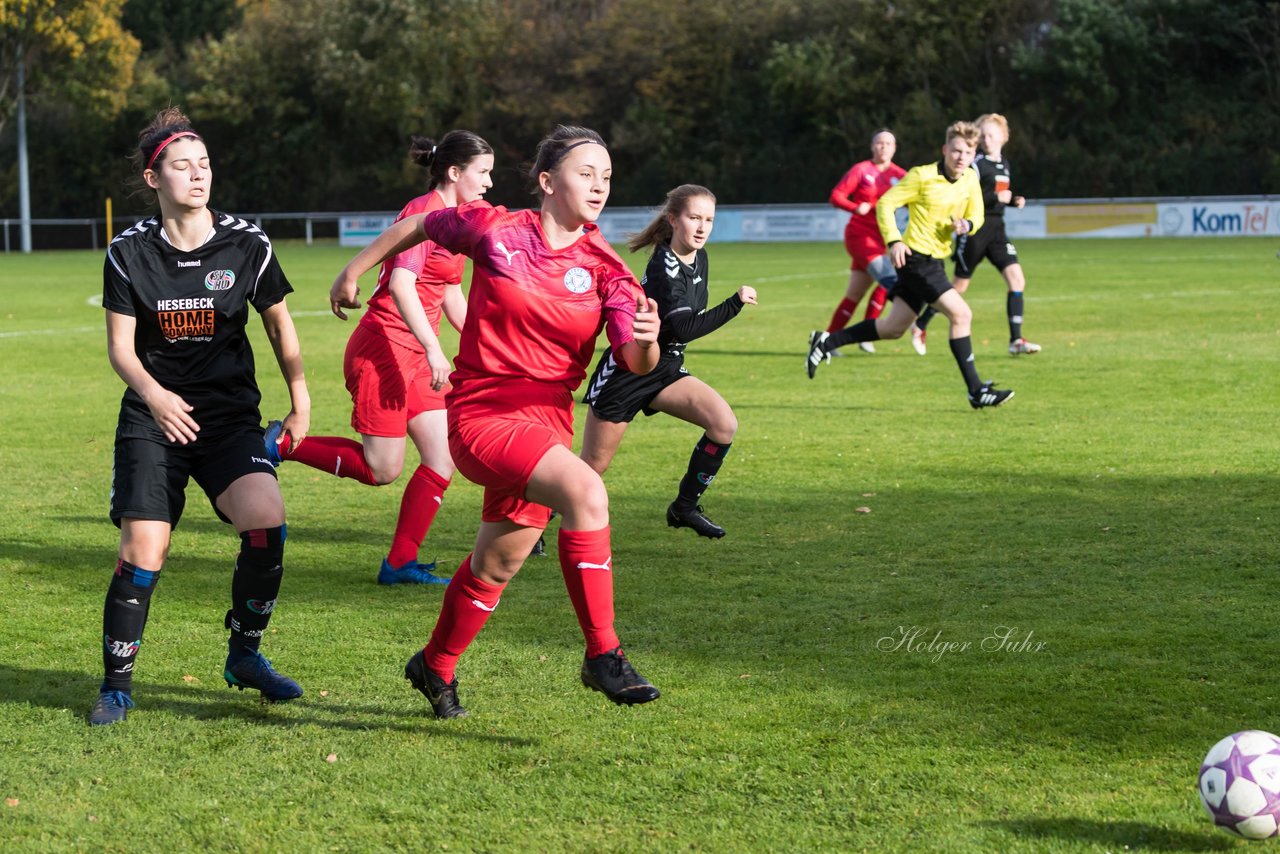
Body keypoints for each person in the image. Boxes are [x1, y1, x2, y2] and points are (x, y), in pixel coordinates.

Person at [330, 125, 663, 718]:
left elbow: (633, 360)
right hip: (483, 412)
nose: (599, 186)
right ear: (546, 181)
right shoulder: (494, 228)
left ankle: (433, 666)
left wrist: (647, 340)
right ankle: (603, 655)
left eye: (607, 176)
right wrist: (353, 271)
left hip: (547, 423)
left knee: (498, 563)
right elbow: (420, 224)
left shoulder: (608, 269)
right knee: (586, 489)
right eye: (586, 173)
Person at [91, 107, 311, 726]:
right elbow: (121, 350)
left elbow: (278, 325)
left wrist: (300, 398)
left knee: (266, 521)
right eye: (182, 166)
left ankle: (244, 654)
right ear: (154, 177)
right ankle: (116, 684)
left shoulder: (247, 242)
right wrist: (156, 397)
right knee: (144, 548)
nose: (198, 175)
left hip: (228, 419)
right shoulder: (128, 252)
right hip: (152, 418)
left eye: (205, 164)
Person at [265, 131, 494, 586]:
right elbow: (401, 286)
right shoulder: (424, 214)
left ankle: (399, 564)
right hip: (384, 349)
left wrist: (485, 346)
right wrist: (434, 349)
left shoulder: (455, 221)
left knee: (441, 457)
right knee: (382, 469)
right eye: (483, 172)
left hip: (415, 352)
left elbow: (449, 290)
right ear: (454, 172)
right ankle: (280, 444)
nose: (489, 182)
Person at [581, 184, 756, 539]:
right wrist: (734, 303)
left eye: (709, 219)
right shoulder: (664, 266)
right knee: (591, 467)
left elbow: (677, 334)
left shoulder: (699, 257)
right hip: (629, 370)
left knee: (723, 424)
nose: (702, 227)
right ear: (674, 220)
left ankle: (684, 508)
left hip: (666, 368)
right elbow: (683, 326)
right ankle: (530, 521)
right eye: (694, 218)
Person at [806, 121, 1014, 409]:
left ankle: (825, 342)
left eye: (967, 152)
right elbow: (886, 204)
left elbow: (977, 214)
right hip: (915, 260)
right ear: (945, 149)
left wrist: (967, 224)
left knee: (893, 328)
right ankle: (976, 391)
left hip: (935, 260)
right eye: (956, 151)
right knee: (962, 315)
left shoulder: (969, 180)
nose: (961, 158)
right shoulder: (922, 176)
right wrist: (893, 241)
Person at [912, 113, 1041, 356]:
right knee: (957, 288)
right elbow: (968, 196)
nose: (986, 139)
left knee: (1017, 280)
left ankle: (1016, 340)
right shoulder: (976, 163)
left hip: (997, 231)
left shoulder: (1004, 164)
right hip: (974, 231)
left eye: (991, 134)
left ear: (1003, 137)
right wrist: (996, 198)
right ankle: (920, 324)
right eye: (983, 135)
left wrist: (1013, 201)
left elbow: (998, 197)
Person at [824, 130, 905, 355]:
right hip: (860, 237)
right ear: (872, 146)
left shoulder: (900, 175)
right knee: (892, 281)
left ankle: (826, 341)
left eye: (888, 143)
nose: (884, 147)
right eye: (879, 142)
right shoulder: (861, 170)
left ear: (894, 148)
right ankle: (871, 333)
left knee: (855, 295)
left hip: (882, 240)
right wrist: (854, 207)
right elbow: (836, 195)